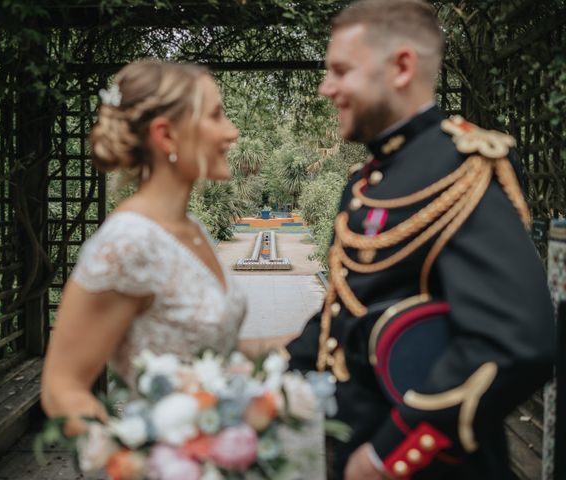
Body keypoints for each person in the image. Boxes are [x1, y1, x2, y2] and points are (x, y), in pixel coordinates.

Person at [286, 1, 555, 479]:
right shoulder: (365, 182)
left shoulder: (463, 165)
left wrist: (387, 457)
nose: (327, 88)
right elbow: (346, 312)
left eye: (341, 71)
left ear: (402, 66)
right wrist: (267, 378)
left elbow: (516, 342)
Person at [40, 60, 246, 434]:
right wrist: (131, 459)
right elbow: (61, 388)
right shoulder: (129, 243)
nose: (231, 131)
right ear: (166, 135)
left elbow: (208, 348)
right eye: (216, 116)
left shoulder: (191, 229)